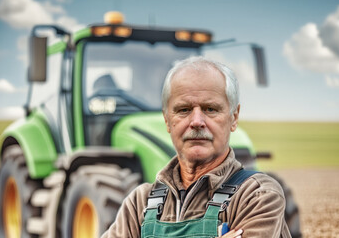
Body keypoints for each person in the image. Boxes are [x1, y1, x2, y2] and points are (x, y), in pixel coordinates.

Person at [101, 56, 291, 238]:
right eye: (184, 110)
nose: (197, 122)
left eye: (210, 109)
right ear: (167, 120)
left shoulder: (256, 196)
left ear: (234, 117)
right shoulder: (140, 203)